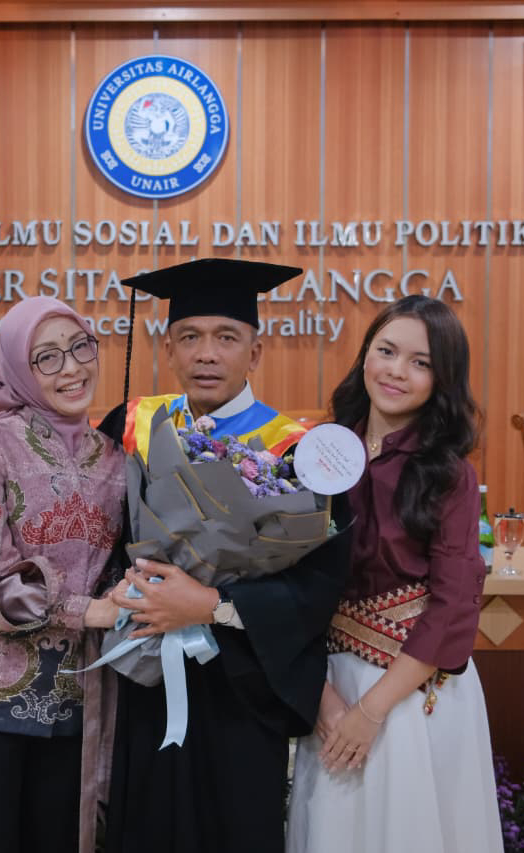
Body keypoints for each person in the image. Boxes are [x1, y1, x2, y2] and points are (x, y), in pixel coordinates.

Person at [98, 258, 352, 853]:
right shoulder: (132, 426)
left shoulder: (296, 452)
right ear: (168, 349)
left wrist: (212, 605)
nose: (206, 354)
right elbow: (102, 534)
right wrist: (124, 591)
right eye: (190, 337)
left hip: (241, 687)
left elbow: (315, 585)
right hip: (146, 672)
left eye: (226, 338)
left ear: (255, 353)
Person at [286, 295, 503, 852]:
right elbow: (288, 584)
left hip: (407, 693)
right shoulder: (319, 452)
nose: (396, 371)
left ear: (443, 378)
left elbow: (453, 605)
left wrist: (370, 712)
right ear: (365, 355)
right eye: (386, 351)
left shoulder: (449, 474)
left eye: (420, 362)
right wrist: (322, 698)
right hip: (328, 685)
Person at [0, 296, 127, 853]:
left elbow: (118, 567)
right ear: (18, 368)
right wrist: (89, 610)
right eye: (47, 357)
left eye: (81, 347)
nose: (71, 368)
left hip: (74, 705)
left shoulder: (116, 457)